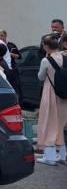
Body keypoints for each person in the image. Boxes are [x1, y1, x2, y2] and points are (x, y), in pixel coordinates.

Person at [36, 34, 67, 166]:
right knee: (61, 123)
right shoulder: (65, 57)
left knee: (49, 122)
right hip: (64, 94)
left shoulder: (46, 60)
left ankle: (50, 156)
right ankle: (63, 154)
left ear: (47, 46)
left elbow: (41, 77)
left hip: (50, 94)